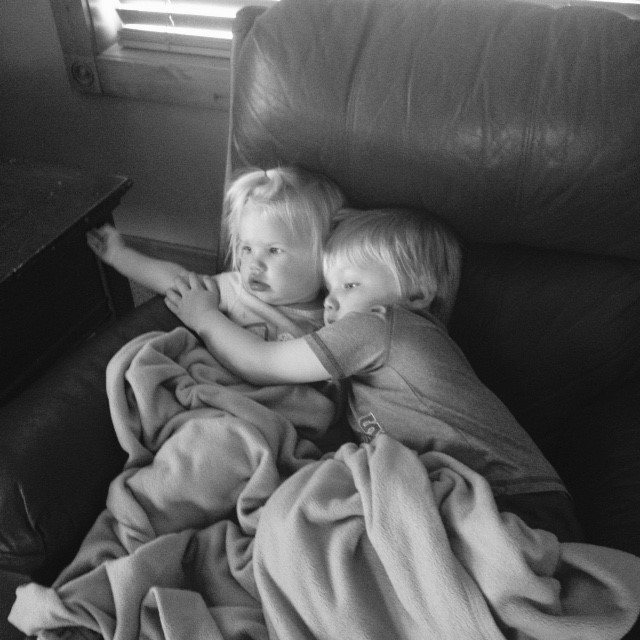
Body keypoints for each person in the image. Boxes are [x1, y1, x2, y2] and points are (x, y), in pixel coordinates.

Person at [165, 207, 583, 541]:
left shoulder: (380, 325)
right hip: (471, 500)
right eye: (327, 291)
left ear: (416, 294)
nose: (329, 305)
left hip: (513, 503)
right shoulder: (379, 356)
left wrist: (204, 317)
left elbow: (263, 362)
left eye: (348, 286)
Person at [88, 165, 346, 343]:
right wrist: (119, 255)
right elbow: (173, 279)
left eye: (274, 250)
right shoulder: (234, 290)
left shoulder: (336, 316)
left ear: (325, 256)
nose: (253, 265)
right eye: (246, 249)